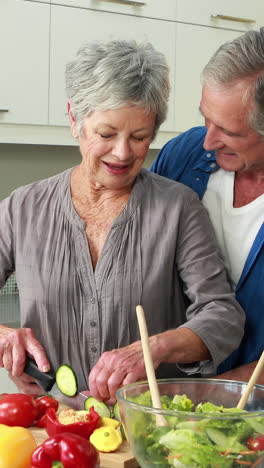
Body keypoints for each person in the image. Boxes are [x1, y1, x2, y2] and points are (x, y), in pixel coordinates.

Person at [0, 39, 244, 402]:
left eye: (140, 136)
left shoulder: (177, 207)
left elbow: (221, 314)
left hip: (150, 424)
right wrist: (4, 336)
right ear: (73, 119)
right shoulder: (22, 207)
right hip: (55, 426)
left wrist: (154, 348)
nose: (123, 152)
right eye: (106, 134)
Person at [150, 28, 264, 384]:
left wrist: (210, 397)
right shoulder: (182, 155)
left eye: (230, 131)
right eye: (205, 118)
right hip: (166, 395)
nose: (209, 140)